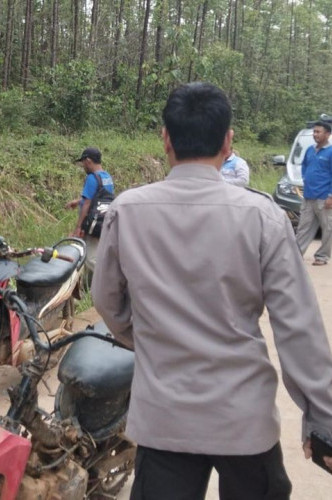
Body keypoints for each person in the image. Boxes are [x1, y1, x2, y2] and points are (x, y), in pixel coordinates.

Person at [92, 82, 332, 499]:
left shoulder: (127, 212)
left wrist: (148, 337)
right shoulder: (263, 217)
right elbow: (298, 328)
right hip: (245, 423)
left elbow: (108, 304)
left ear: (165, 138)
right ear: (228, 141)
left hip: (163, 422)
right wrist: (323, 417)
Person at [65, 147, 114, 276]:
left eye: (83, 162)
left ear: (88, 161)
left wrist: (78, 227)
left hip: (91, 223)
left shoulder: (92, 178)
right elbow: (99, 198)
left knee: (90, 258)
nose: (83, 166)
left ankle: (111, 280)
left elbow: (87, 203)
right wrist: (77, 202)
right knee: (91, 252)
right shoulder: (107, 177)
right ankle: (85, 287)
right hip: (104, 221)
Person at [295, 120, 332, 266]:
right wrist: (305, 178)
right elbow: (304, 166)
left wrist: (331, 195)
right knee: (303, 227)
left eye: (318, 132)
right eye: (314, 132)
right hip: (308, 196)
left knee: (328, 228)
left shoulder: (330, 152)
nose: (315, 134)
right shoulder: (310, 150)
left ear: (327, 134)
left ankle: (322, 256)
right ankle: (296, 255)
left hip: (324, 198)